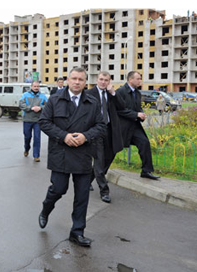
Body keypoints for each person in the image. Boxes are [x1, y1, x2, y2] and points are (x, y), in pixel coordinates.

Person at [38, 67, 105, 247]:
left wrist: (86, 136)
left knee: (82, 195)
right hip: (60, 152)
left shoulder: (92, 102)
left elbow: (100, 126)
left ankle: (77, 232)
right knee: (58, 189)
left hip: (83, 153)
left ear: (85, 82)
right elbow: (44, 122)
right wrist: (63, 136)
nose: (77, 82)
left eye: (80, 79)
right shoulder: (54, 100)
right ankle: (46, 209)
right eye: (74, 78)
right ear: (68, 80)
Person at [87, 71, 125, 203]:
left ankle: (87, 181)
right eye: (101, 79)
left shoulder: (112, 94)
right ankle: (104, 191)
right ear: (96, 80)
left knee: (109, 157)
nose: (103, 82)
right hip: (96, 131)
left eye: (106, 80)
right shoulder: (88, 94)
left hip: (110, 130)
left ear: (109, 82)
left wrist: (113, 93)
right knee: (98, 160)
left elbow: (122, 106)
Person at [116, 71, 160, 180]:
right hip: (122, 127)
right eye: (138, 78)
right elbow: (118, 110)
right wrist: (136, 114)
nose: (140, 81)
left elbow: (137, 108)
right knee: (110, 153)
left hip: (134, 126)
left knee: (144, 143)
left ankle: (146, 170)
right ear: (130, 80)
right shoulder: (120, 92)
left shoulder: (137, 93)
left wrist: (141, 114)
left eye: (140, 78)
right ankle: (93, 176)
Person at [19, 81, 48, 162]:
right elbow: (21, 104)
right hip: (27, 119)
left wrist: (40, 108)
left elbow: (48, 106)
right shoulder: (25, 95)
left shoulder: (43, 96)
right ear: (31, 87)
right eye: (34, 86)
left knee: (37, 138)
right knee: (27, 137)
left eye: (37, 86)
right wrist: (31, 108)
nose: (36, 88)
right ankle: (26, 149)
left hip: (38, 121)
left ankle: (36, 156)